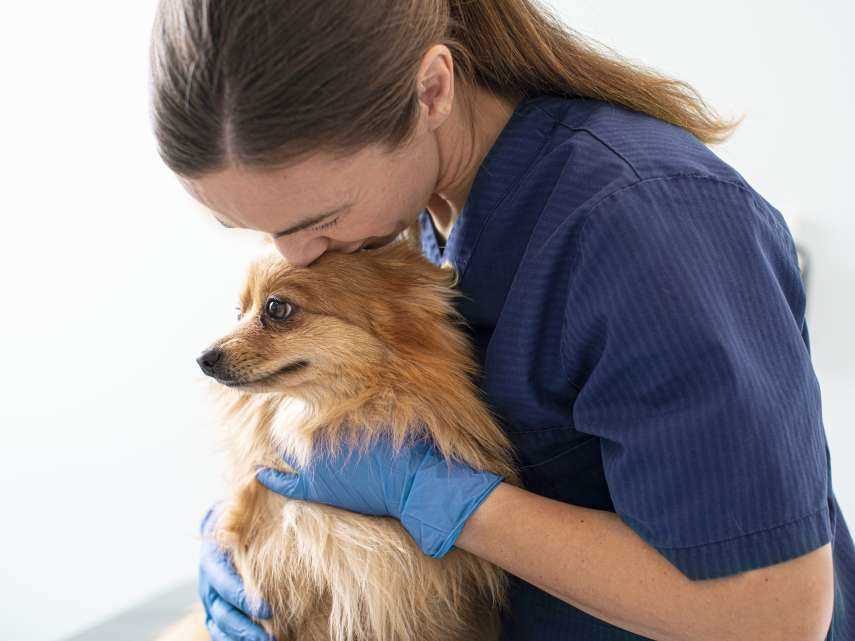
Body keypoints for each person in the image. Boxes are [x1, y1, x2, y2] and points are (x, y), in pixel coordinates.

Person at [148, 1, 854, 639]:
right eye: (253, 227)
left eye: (318, 218)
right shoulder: (410, 219)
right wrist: (248, 539)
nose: (295, 254)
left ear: (431, 90)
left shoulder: (644, 226)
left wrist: (442, 497)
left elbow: (774, 613)